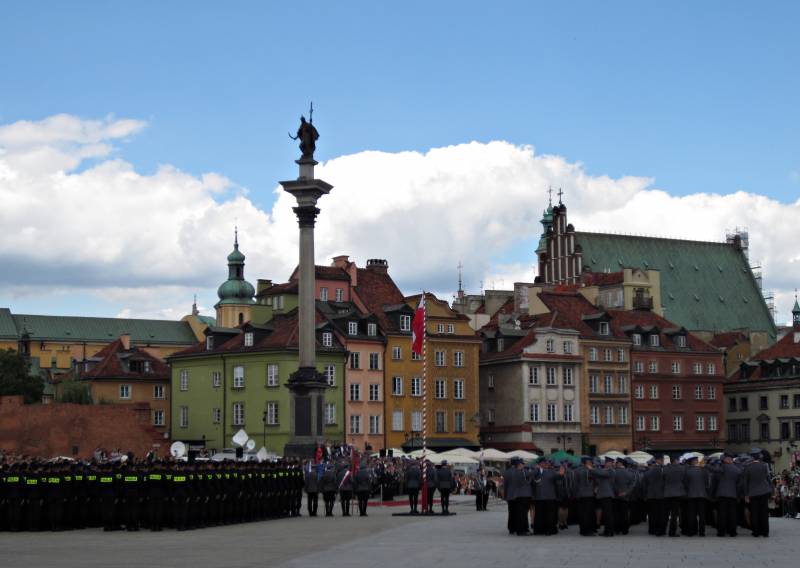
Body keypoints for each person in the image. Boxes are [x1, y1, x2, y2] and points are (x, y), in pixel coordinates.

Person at [743, 448, 773, 537]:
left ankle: (756, 532)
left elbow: (745, 482)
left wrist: (746, 494)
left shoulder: (748, 467)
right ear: (759, 456)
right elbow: (768, 479)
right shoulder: (764, 465)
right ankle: (765, 532)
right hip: (764, 491)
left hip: (753, 493)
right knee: (764, 512)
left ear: (752, 457)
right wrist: (771, 490)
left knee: (754, 513)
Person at [591, 457, 616, 537]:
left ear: (612, 463)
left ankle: (609, 531)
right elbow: (598, 478)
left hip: (607, 494)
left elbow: (601, 474)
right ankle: (607, 531)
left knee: (608, 514)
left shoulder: (611, 471)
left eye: (609, 462)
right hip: (603, 494)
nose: (606, 463)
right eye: (606, 462)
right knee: (606, 514)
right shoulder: (605, 471)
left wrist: (592, 468)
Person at [663, 456, 687, 537]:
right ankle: (672, 532)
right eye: (678, 460)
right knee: (674, 515)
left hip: (667, 493)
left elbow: (663, 479)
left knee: (665, 513)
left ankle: (662, 530)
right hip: (677, 493)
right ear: (676, 460)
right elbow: (684, 480)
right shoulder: (682, 469)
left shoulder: (665, 469)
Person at [643, 455, 666, 536]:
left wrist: (646, 495)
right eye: (662, 460)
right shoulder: (662, 470)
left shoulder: (647, 472)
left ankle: (651, 529)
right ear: (659, 460)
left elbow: (644, 485)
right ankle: (659, 529)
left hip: (650, 495)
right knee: (660, 514)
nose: (663, 461)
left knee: (652, 514)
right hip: (661, 495)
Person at [574, 456, 597, 536]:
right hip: (588, 494)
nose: (591, 463)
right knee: (588, 513)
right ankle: (588, 530)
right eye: (589, 461)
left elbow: (575, 483)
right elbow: (596, 480)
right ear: (586, 462)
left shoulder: (576, 470)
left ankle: (583, 530)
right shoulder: (590, 470)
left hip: (580, 494)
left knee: (582, 513)